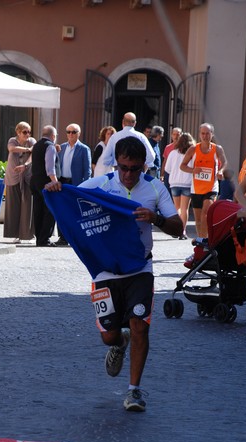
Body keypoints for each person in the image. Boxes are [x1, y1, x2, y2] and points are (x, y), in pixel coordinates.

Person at [44, 137, 182, 412]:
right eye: (123, 167)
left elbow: (178, 227)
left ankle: (134, 391)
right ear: (115, 164)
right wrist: (56, 187)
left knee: (140, 326)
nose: (129, 174)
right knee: (108, 335)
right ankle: (119, 344)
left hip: (140, 268)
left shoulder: (155, 188)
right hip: (106, 272)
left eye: (134, 168)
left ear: (144, 165)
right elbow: (71, 197)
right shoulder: (101, 184)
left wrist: (156, 219)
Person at [180, 122, 227, 238]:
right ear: (200, 134)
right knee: (198, 219)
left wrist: (220, 171)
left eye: (207, 133)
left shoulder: (217, 149)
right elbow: (182, 166)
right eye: (203, 133)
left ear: (212, 134)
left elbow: (225, 162)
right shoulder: (193, 149)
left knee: (205, 215)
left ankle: (206, 241)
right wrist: (193, 170)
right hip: (196, 189)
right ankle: (201, 242)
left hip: (211, 188)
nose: (205, 136)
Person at [57, 123, 92, 245]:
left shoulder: (84, 149)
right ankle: (62, 238)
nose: (71, 134)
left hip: (76, 183)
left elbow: (87, 170)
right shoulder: (61, 147)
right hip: (62, 182)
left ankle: (76, 238)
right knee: (61, 211)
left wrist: (85, 187)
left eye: (74, 132)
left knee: (75, 212)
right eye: (68, 132)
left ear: (79, 133)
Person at [3, 121, 36, 244]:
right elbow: (11, 149)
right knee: (13, 206)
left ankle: (28, 236)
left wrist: (25, 165)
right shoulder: (13, 140)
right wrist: (27, 149)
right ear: (18, 132)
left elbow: (34, 154)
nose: (27, 134)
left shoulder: (32, 141)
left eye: (29, 132)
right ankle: (15, 234)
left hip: (27, 176)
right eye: (25, 132)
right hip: (13, 176)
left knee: (27, 205)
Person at [30, 125, 60, 247]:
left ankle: (39, 238)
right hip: (47, 183)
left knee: (38, 210)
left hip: (35, 181)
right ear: (53, 136)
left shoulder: (36, 145)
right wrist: (56, 182)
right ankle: (44, 239)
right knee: (49, 211)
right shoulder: (50, 146)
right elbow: (50, 169)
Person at [164, 132, 195, 239]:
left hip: (174, 183)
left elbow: (167, 169)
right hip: (187, 183)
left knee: (177, 207)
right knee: (184, 208)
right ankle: (183, 231)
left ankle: (176, 229)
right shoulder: (192, 154)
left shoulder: (173, 153)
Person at [161, 126, 182, 193]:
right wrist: (162, 174)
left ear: (181, 135)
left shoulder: (184, 148)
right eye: (174, 134)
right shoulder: (168, 147)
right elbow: (165, 161)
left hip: (179, 174)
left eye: (178, 134)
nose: (176, 136)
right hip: (168, 173)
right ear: (171, 135)